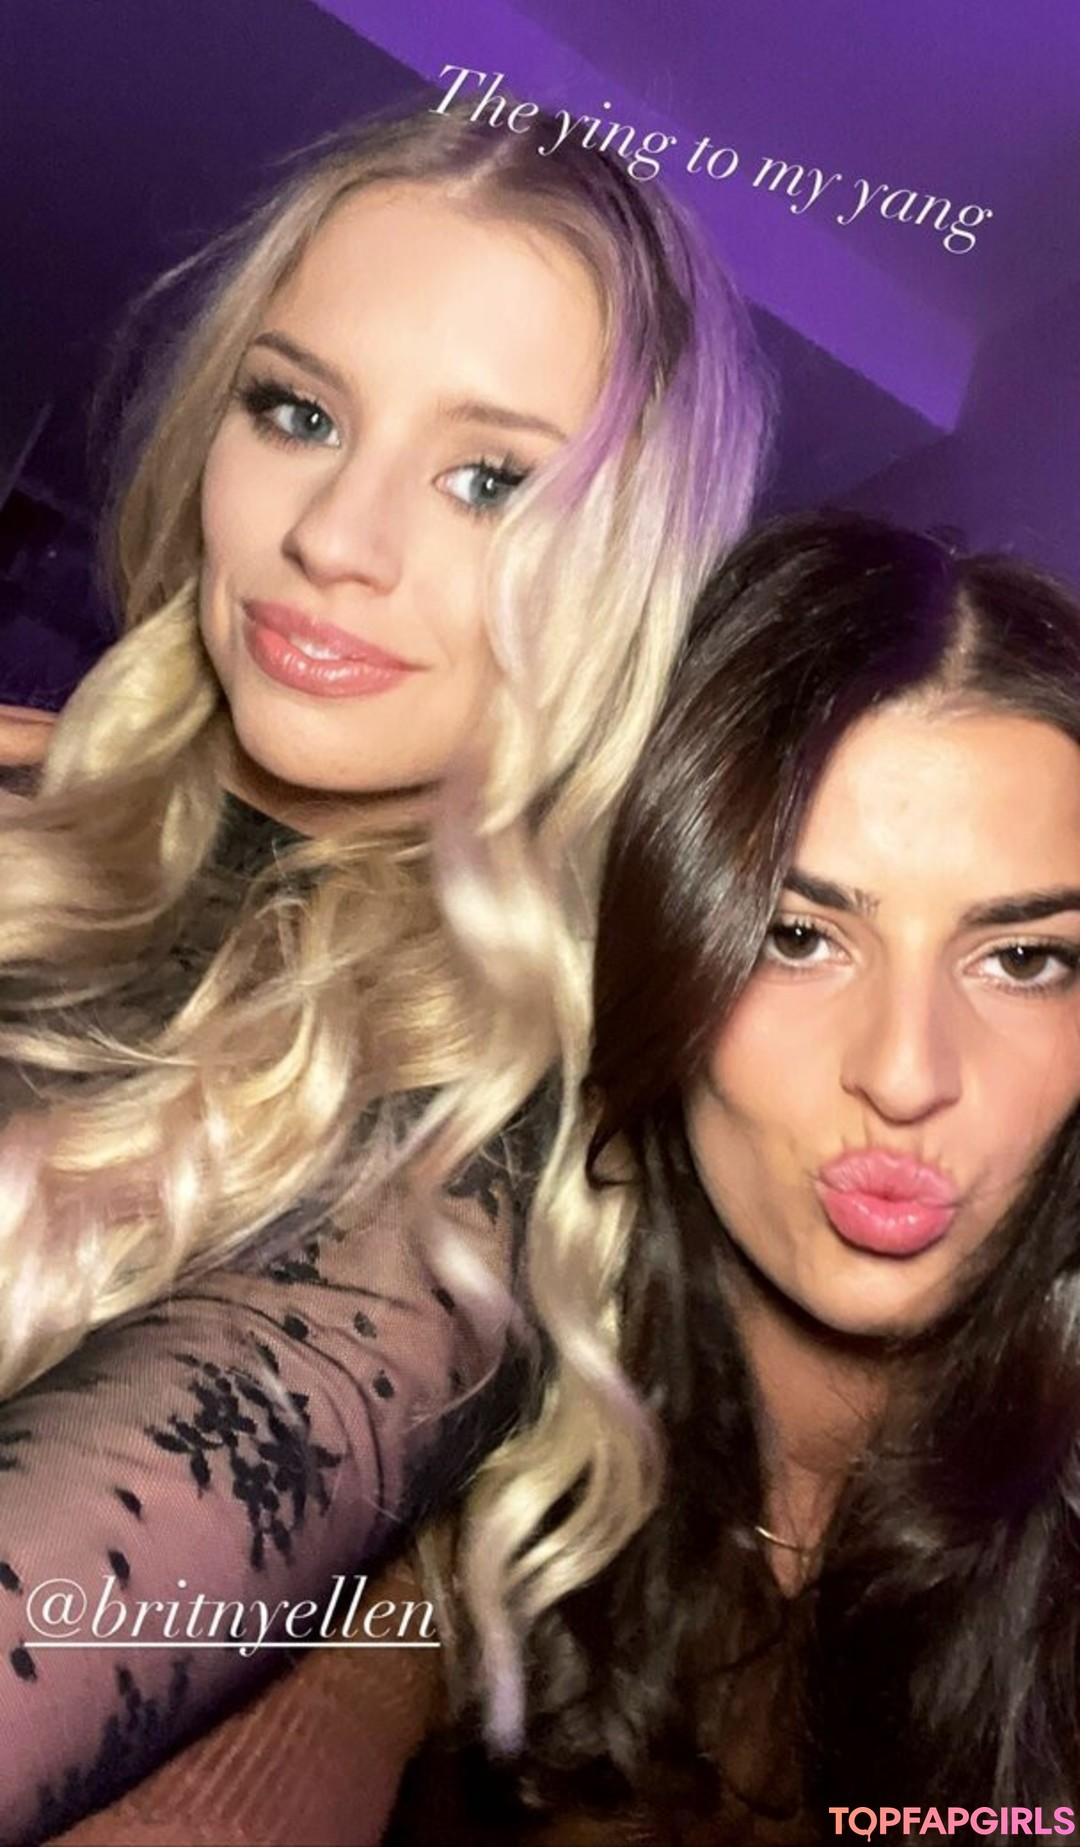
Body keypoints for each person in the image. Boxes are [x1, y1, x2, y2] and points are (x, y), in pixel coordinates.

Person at [0, 100, 767, 1841]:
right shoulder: (37, 798)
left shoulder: (471, 1153)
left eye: (493, 480)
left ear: (627, 586)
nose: (335, 536)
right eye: (298, 411)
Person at [441, 511, 1080, 1843]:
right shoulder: (458, 1394)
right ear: (655, 945)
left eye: (1023, 961)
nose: (905, 1074)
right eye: (796, 936)